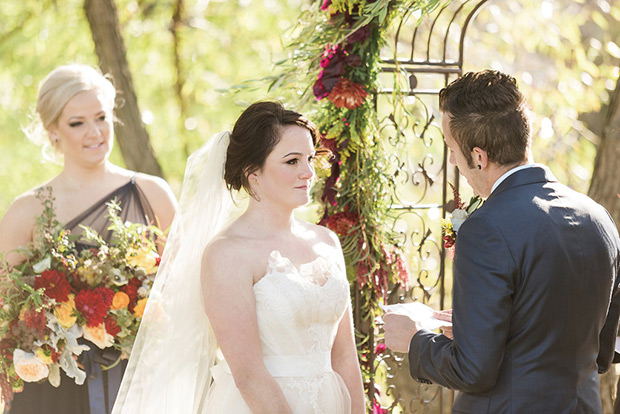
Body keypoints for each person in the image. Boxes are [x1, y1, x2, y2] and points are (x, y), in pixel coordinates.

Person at [383, 70, 620, 413]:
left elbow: (474, 370)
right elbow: (601, 351)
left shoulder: (486, 228)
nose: (452, 160)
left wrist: (415, 340)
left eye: (451, 148)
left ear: (478, 156)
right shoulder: (598, 217)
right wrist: (479, 330)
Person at [112, 101, 365, 413]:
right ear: (253, 174)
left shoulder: (327, 241)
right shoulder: (227, 253)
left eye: (310, 158)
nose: (309, 172)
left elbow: (345, 357)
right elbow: (248, 374)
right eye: (292, 161)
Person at [0, 64, 177, 414]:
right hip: (53, 392)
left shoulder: (152, 194)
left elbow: (183, 290)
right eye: (77, 123)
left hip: (137, 380)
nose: (94, 132)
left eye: (101, 117)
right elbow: (5, 307)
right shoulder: (27, 210)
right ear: (53, 131)